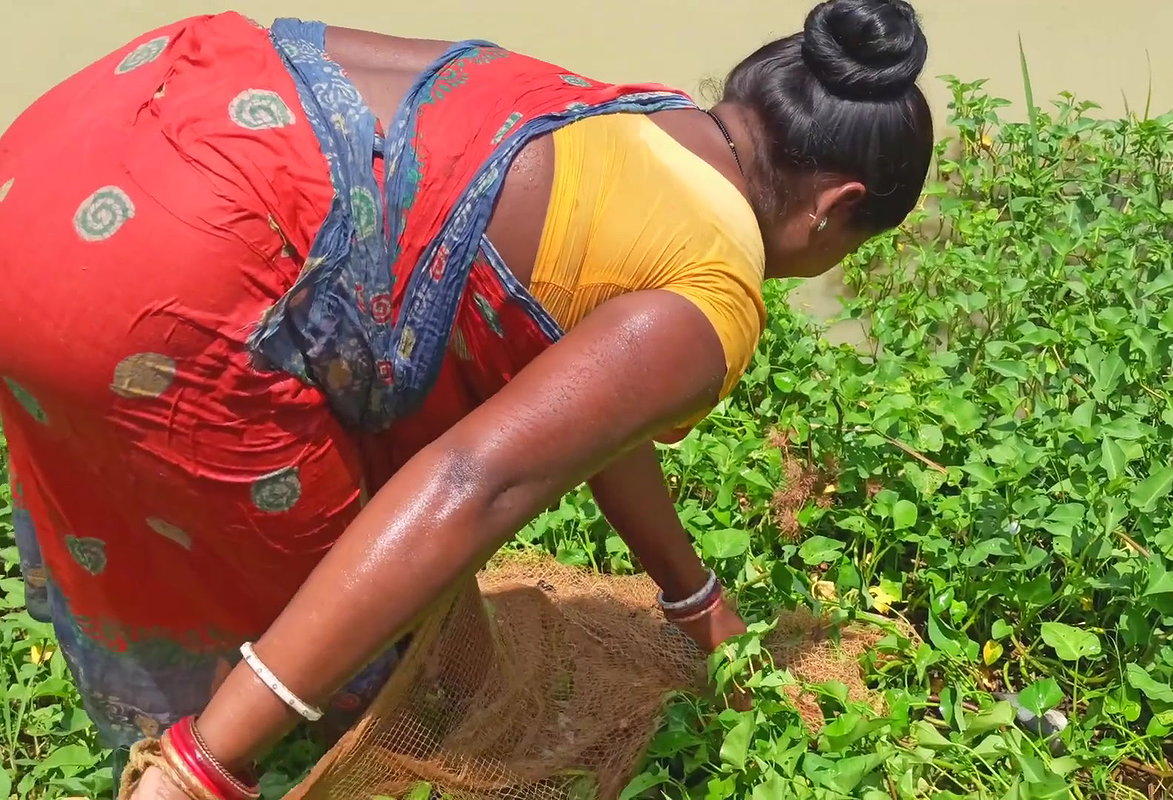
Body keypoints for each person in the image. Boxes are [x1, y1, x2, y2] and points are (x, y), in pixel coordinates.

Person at [0, 0, 932, 796]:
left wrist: (695, 600)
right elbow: (472, 482)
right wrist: (205, 769)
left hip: (85, 137)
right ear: (834, 207)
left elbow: (601, 409)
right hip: (161, 270)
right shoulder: (710, 294)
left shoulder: (638, 120)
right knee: (365, 651)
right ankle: (189, 770)